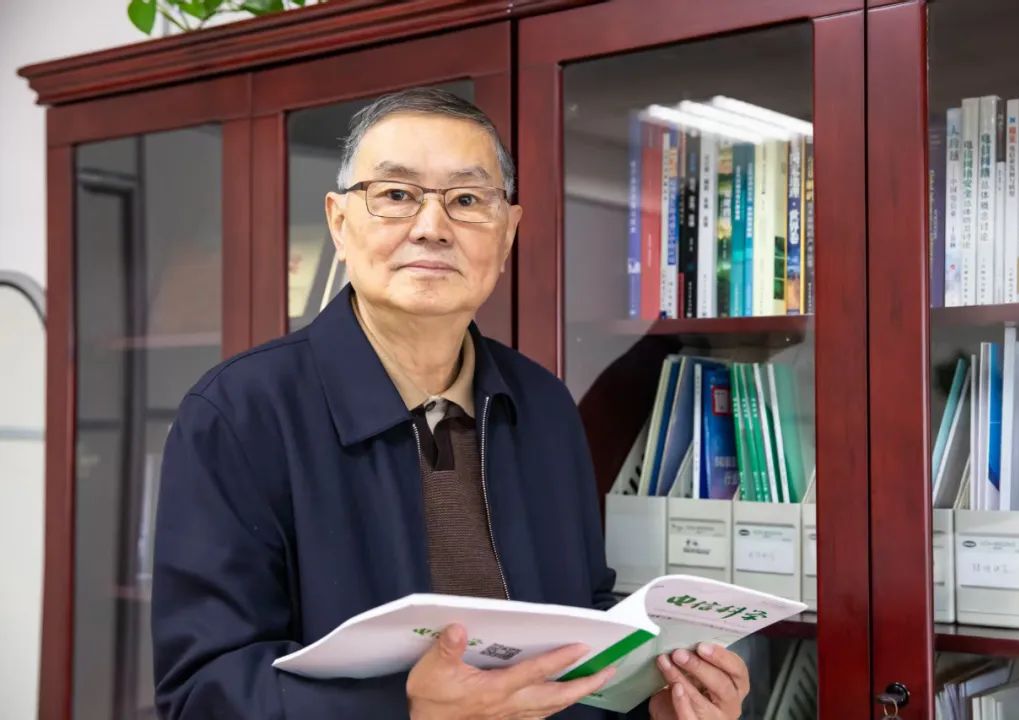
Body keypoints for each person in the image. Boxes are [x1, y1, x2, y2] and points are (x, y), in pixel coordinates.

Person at [152, 87, 749, 719]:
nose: (432, 227)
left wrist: (652, 702)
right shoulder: (239, 414)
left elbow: (579, 626)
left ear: (508, 232)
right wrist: (405, 709)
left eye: (466, 200)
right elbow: (200, 694)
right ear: (339, 223)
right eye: (395, 195)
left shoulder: (543, 406)